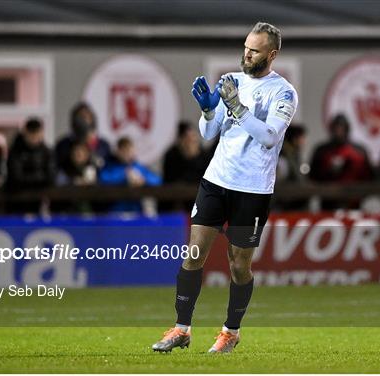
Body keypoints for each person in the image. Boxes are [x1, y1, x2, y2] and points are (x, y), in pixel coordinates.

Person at [152, 22, 298, 354]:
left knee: (238, 265)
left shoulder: (284, 92)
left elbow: (270, 137)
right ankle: (181, 328)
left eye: (255, 50)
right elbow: (208, 132)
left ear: (271, 55)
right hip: (216, 180)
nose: (247, 54)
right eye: (246, 47)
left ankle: (231, 331)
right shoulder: (232, 81)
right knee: (193, 255)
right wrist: (207, 109)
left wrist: (239, 108)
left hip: (253, 189)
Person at [308, 114, 372, 208]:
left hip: (353, 203)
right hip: (328, 203)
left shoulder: (359, 151)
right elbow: (313, 176)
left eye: (341, 128)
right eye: (336, 128)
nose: (339, 132)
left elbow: (368, 177)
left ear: (347, 129)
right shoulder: (321, 151)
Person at [162, 121, 212, 211]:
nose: (192, 141)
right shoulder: (171, 155)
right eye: (188, 138)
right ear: (181, 140)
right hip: (175, 203)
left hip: (199, 202)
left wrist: (194, 158)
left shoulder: (204, 156)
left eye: (194, 138)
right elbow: (169, 180)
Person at [55, 102, 110, 176]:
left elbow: (106, 168)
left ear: (92, 119)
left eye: (86, 117)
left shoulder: (103, 145)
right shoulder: (63, 145)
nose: (84, 121)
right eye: (80, 117)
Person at [7, 117, 55, 191]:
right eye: (32, 135)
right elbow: (16, 177)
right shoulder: (16, 151)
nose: (34, 138)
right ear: (25, 133)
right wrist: (39, 178)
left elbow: (51, 177)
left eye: (37, 134)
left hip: (39, 197)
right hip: (17, 197)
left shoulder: (47, 152)